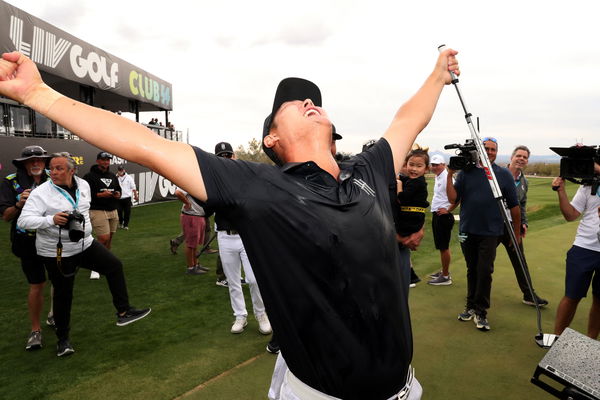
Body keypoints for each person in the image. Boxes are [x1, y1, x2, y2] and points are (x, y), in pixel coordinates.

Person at [0, 48, 460, 399]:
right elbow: (143, 144)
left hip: (405, 388)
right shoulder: (256, 186)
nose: (308, 102)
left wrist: (438, 75)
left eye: (314, 100)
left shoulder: (370, 172)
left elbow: (407, 120)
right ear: (271, 138)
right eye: (295, 103)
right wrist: (37, 94)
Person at [17, 152, 151, 356]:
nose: (53, 172)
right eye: (51, 168)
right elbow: (23, 221)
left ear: (72, 170)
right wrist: (51, 220)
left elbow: (85, 209)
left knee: (114, 265)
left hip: (85, 244)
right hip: (56, 252)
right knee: (64, 294)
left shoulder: (84, 185)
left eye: (59, 168)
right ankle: (63, 340)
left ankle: (123, 312)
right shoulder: (41, 192)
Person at [446, 137, 520, 332]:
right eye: (485, 148)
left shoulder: (503, 175)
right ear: (479, 150)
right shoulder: (466, 173)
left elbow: (514, 206)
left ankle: (481, 312)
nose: (489, 152)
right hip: (466, 231)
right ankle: (470, 307)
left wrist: (516, 233)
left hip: (491, 232)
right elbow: (454, 198)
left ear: (497, 152)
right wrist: (449, 176)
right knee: (472, 268)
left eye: (493, 149)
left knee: (485, 270)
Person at [213, 142, 272, 335]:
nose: (225, 159)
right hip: (225, 236)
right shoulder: (213, 181)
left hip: (246, 235)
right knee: (233, 281)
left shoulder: (243, 177)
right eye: (221, 156)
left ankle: (261, 314)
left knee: (254, 279)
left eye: (228, 155)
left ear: (234, 157)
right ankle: (240, 315)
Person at [0, 145, 54, 350]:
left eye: (39, 160)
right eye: (31, 160)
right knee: (37, 284)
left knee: (59, 280)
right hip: (26, 243)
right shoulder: (10, 182)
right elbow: (6, 216)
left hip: (54, 238)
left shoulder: (54, 177)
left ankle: (54, 316)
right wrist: (19, 205)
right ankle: (35, 330)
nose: (36, 163)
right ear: (23, 164)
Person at [552, 155, 600, 339]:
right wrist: (561, 191)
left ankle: (591, 341)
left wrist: (594, 167)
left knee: (599, 300)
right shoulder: (587, 186)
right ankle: (558, 338)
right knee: (572, 296)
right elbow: (571, 215)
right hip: (584, 248)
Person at [498, 146, 548, 306]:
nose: (521, 159)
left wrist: (523, 223)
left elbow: (522, 205)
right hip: (493, 224)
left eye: (524, 157)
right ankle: (476, 296)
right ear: (511, 157)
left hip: (513, 226)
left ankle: (528, 294)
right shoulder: (496, 175)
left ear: (527, 161)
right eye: (518, 155)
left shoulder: (524, 182)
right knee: (485, 262)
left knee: (520, 260)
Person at [83, 151, 121, 279]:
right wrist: (100, 195)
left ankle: (104, 262)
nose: (106, 162)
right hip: (97, 210)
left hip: (112, 209)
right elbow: (85, 195)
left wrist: (117, 194)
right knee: (103, 238)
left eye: (108, 160)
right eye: (103, 160)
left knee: (109, 239)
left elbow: (119, 189)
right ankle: (94, 267)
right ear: (98, 161)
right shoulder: (89, 176)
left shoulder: (112, 175)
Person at [395, 148, 430, 287]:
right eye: (411, 164)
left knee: (398, 233)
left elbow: (402, 199)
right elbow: (405, 178)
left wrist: (398, 186)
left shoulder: (417, 182)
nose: (414, 169)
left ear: (426, 169)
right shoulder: (414, 180)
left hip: (411, 219)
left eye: (419, 166)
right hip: (414, 217)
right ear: (405, 164)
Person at [427, 154, 455, 286]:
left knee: (444, 247)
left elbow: (458, 197)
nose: (435, 167)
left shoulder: (447, 178)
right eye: (433, 164)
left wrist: (448, 210)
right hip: (437, 214)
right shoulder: (439, 176)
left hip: (444, 216)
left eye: (437, 164)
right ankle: (444, 271)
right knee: (441, 246)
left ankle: (445, 276)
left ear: (443, 165)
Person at [175, 188, 209, 275]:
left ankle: (196, 264)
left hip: (197, 216)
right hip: (191, 216)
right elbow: (178, 192)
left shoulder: (198, 181)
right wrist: (187, 203)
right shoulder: (189, 182)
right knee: (190, 244)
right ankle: (191, 267)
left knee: (195, 243)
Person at [116, 165, 138, 230]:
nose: (121, 171)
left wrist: (136, 195)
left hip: (127, 198)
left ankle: (126, 225)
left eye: (122, 170)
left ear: (124, 170)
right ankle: (121, 222)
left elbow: (133, 187)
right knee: (119, 211)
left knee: (127, 212)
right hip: (119, 198)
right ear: (118, 171)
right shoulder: (116, 177)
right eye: (119, 170)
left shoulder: (129, 177)